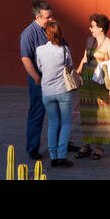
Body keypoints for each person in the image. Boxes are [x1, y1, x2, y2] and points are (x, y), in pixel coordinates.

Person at [75, 13, 110, 159]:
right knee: (87, 114)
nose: (90, 29)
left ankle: (99, 147)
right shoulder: (90, 41)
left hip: (101, 86)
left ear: (101, 28)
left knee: (101, 115)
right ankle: (86, 145)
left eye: (93, 26)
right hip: (87, 83)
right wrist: (77, 73)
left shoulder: (109, 44)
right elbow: (84, 58)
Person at [35, 18, 76, 168]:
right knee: (65, 123)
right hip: (63, 91)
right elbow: (70, 66)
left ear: (47, 34)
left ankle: (53, 156)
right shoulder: (64, 50)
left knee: (53, 123)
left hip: (47, 91)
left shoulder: (40, 50)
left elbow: (40, 67)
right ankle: (62, 156)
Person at [19, 0, 53, 161]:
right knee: (37, 114)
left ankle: (61, 143)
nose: (51, 20)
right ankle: (32, 148)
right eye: (47, 17)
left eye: (51, 16)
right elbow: (25, 59)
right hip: (40, 82)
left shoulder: (51, 30)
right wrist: (36, 78)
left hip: (55, 80)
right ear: (38, 17)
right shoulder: (28, 34)